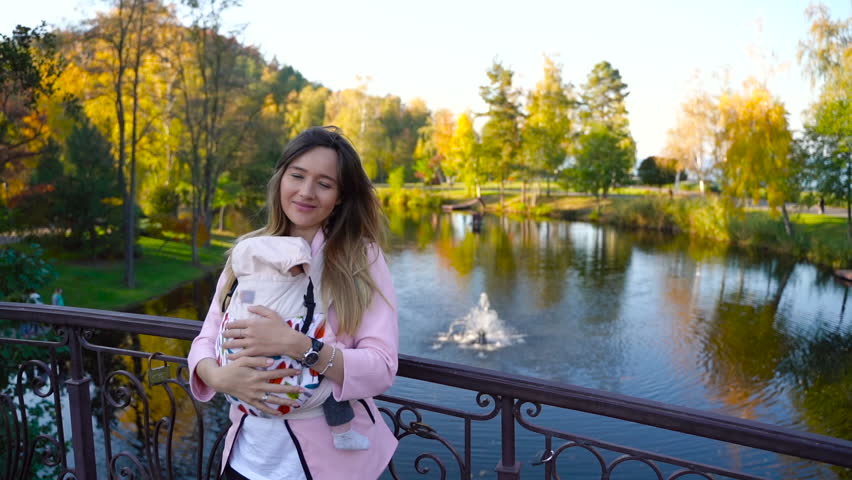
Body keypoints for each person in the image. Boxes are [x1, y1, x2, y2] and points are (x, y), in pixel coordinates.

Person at [188, 126, 399, 480]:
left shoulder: (361, 259)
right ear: (280, 179)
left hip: (327, 465)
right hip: (244, 460)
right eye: (296, 176)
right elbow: (205, 341)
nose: (306, 192)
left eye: (324, 183)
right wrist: (221, 377)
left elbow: (382, 366)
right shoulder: (248, 253)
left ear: (340, 196)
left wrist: (296, 345)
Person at [216, 234, 370, 451]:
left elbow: (215, 332)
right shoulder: (299, 290)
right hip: (252, 438)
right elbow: (205, 337)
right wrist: (215, 377)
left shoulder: (244, 283)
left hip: (245, 409)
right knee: (333, 382)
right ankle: (342, 431)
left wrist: (219, 373)